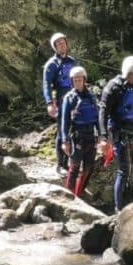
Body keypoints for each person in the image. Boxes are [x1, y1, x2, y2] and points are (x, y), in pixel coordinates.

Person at [99, 55, 133, 212]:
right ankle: (118, 209)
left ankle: (127, 199)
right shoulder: (113, 87)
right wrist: (103, 138)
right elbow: (103, 111)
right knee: (124, 170)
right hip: (118, 131)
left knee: (132, 166)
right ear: (126, 71)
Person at [59, 66, 103, 198]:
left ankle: (80, 191)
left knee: (89, 167)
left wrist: (101, 135)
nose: (78, 82)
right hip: (77, 136)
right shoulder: (69, 98)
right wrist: (64, 140)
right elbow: (65, 120)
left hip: (91, 135)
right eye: (75, 80)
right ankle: (70, 195)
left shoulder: (92, 97)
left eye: (80, 80)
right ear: (72, 81)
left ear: (84, 80)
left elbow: (97, 117)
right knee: (74, 167)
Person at [42, 32, 78, 176]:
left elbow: (79, 78)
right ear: (55, 47)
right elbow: (46, 84)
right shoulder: (51, 64)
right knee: (62, 129)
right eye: (59, 44)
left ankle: (72, 160)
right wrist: (50, 102)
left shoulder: (72, 61)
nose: (62, 45)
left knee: (75, 128)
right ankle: (60, 164)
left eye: (63, 42)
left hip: (74, 97)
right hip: (61, 98)